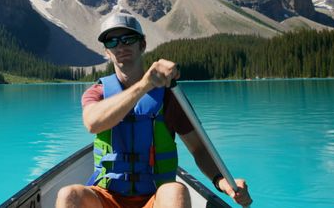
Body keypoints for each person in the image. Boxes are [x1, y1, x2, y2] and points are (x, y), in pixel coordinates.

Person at [56, 12, 253, 208]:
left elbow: (198, 148)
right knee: (69, 195)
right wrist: (145, 85)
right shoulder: (97, 93)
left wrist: (221, 181)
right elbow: (93, 123)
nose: (120, 45)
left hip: (155, 196)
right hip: (107, 195)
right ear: (107, 52)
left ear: (142, 45)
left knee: (175, 190)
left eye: (128, 38)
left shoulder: (169, 96)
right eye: (111, 41)